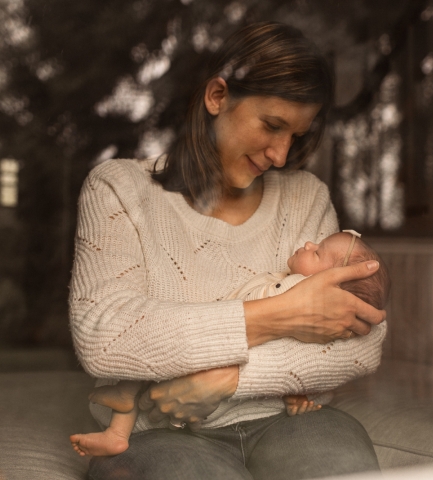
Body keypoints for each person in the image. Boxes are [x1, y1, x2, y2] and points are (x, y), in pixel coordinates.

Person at [69, 21, 387, 480]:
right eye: (272, 125)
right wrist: (281, 315)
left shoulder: (305, 198)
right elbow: (105, 338)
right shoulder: (119, 189)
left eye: (295, 136)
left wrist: (231, 379)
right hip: (158, 436)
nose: (280, 154)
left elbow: (364, 340)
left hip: (288, 420)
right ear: (217, 96)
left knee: (341, 465)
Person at [70, 230, 390, 457]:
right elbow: (297, 340)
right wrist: (293, 385)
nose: (307, 243)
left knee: (156, 358)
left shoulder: (294, 288)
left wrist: (235, 378)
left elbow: (364, 338)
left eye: (317, 251)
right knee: (151, 351)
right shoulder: (300, 296)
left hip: (211, 372)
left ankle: (120, 415)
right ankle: (118, 425)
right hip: (186, 405)